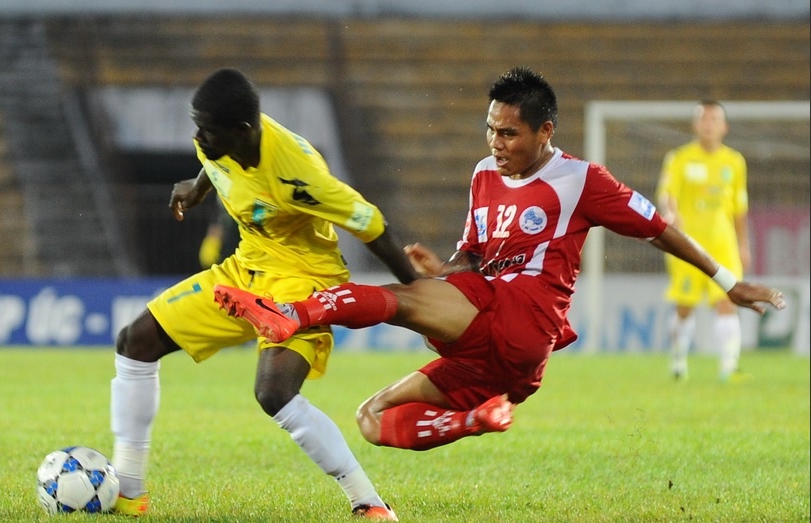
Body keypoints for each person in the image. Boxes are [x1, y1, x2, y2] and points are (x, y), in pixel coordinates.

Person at [213, 66, 787, 454]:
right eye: (490, 129)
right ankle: (477, 418)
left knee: (404, 301)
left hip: (529, 314)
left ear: (546, 131)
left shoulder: (582, 179)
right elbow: (475, 257)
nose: (495, 143)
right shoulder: (484, 175)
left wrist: (729, 282)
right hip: (503, 361)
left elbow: (661, 231)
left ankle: (293, 314)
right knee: (373, 419)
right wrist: (446, 271)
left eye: (509, 133)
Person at [109, 67, 419, 520]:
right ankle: (128, 492)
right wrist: (196, 190)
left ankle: (368, 501)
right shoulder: (215, 140)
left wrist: (417, 290)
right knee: (135, 342)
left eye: (207, 131)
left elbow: (372, 226)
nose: (198, 136)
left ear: (242, 131)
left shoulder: (298, 175)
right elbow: (214, 162)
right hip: (245, 268)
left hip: (304, 278)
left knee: (273, 393)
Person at [655, 100, 752, 382]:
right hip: (686, 245)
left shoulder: (734, 162)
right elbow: (667, 193)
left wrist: (744, 244)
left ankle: (729, 368)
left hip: (723, 245)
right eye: (703, 119)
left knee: (726, 302)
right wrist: (671, 212)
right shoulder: (679, 158)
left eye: (714, 120)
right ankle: (678, 361)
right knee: (685, 306)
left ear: (724, 127)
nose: (708, 124)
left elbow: (739, 208)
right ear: (695, 125)